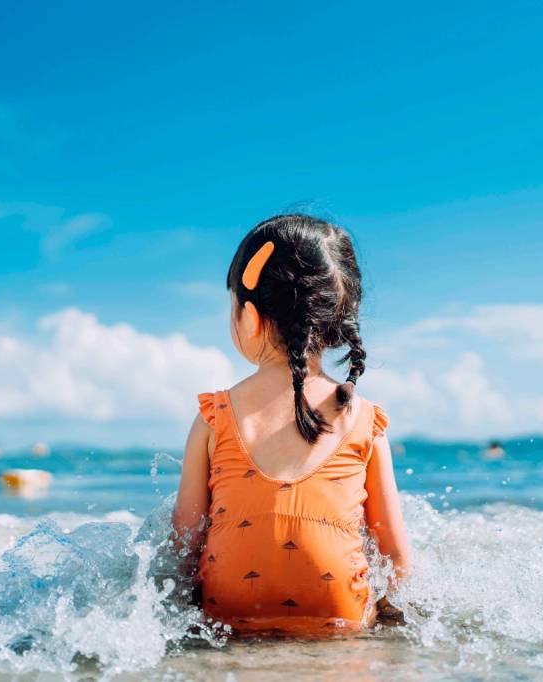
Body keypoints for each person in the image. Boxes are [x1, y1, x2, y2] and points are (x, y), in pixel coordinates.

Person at [172, 214, 411, 635]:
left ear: (249, 315)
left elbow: (183, 544)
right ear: (339, 319)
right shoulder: (365, 419)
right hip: (341, 616)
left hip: (227, 616)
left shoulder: (215, 415)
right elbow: (395, 557)